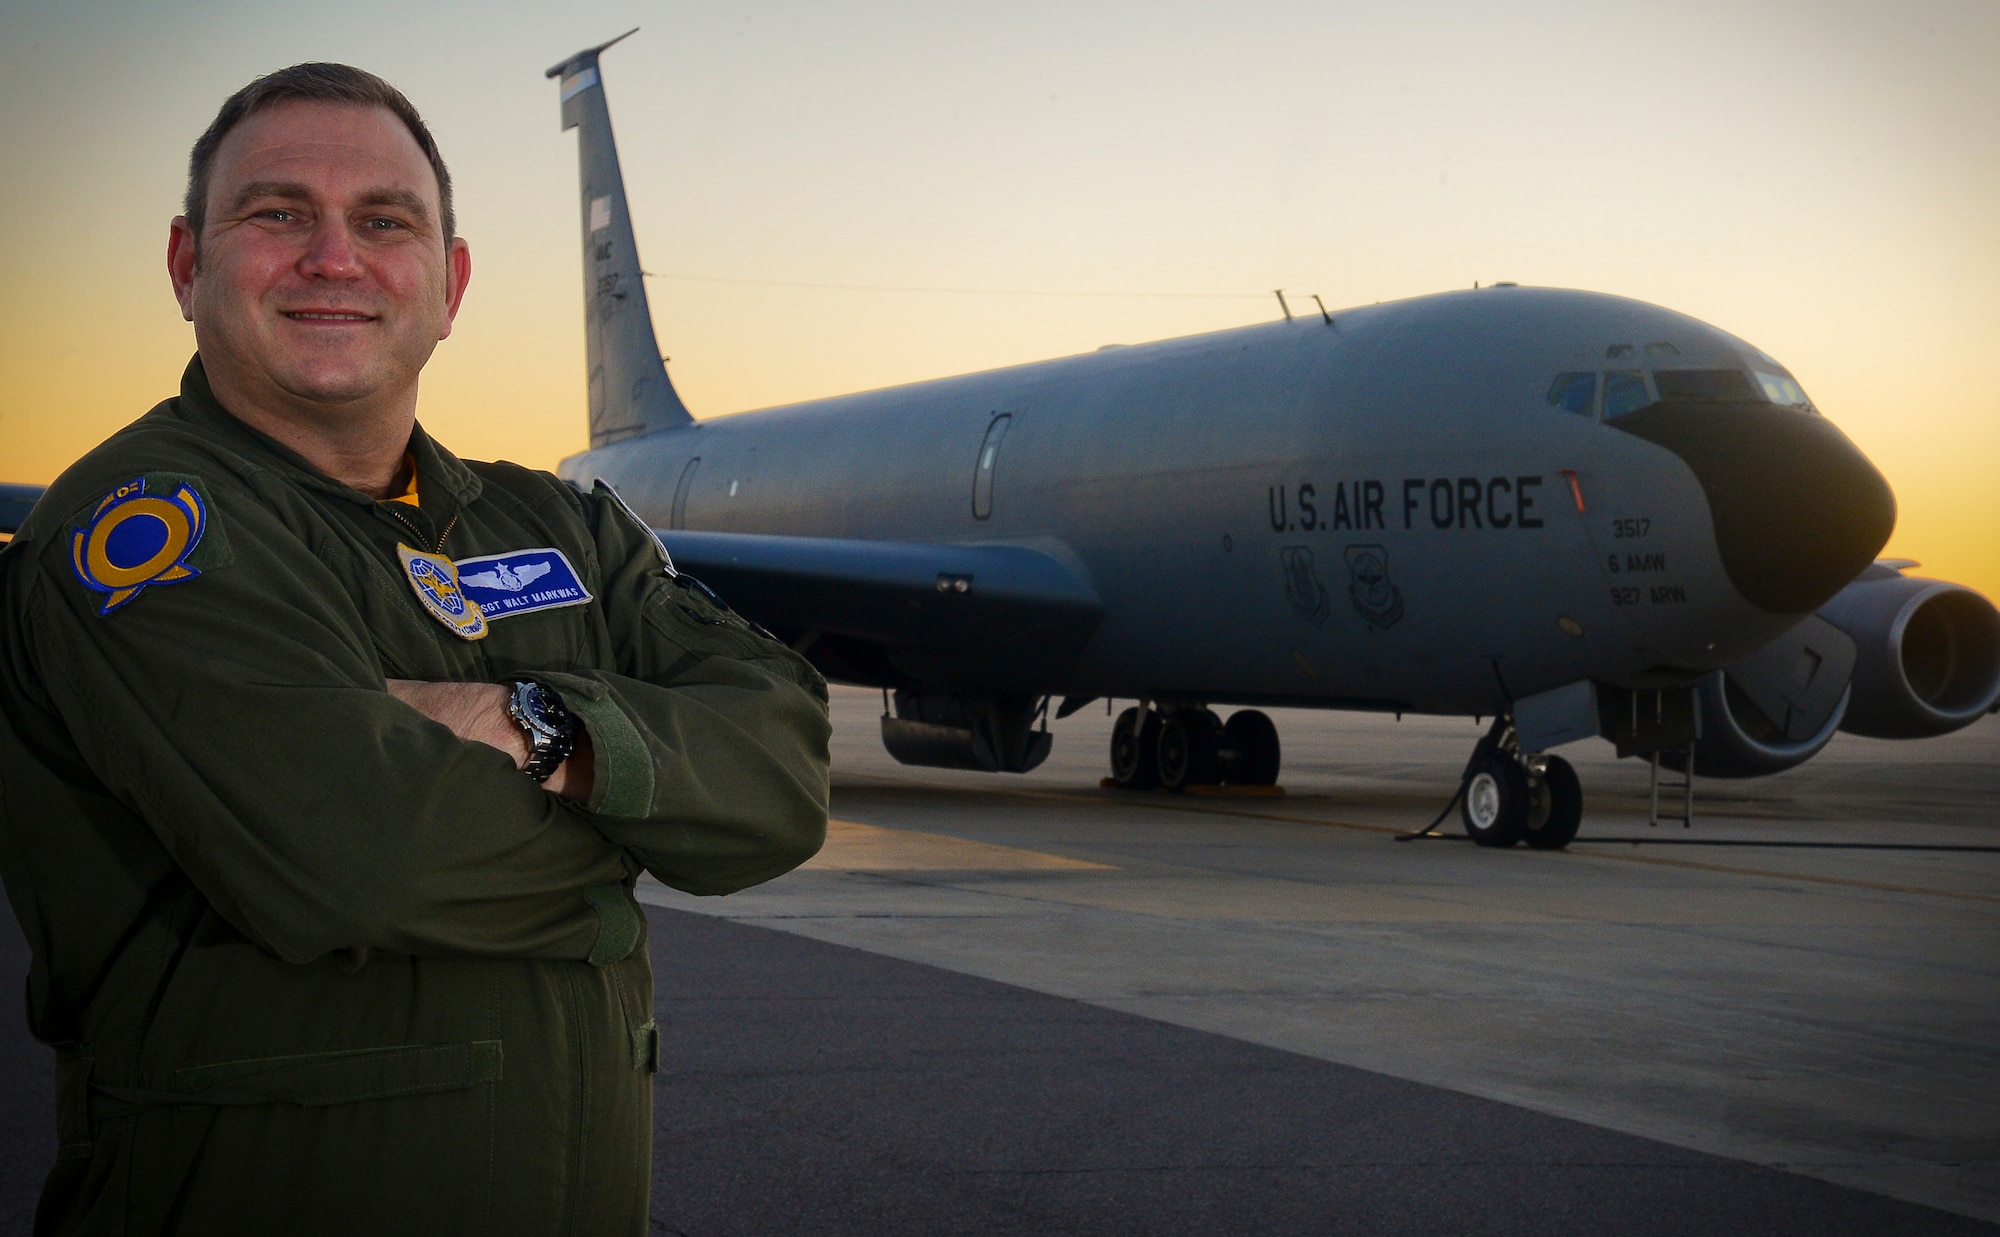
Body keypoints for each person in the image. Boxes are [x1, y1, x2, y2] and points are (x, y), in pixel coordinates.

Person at [0, 63, 830, 1235]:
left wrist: (529, 726)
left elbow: (787, 772)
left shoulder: (559, 523)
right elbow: (361, 855)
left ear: (451, 284)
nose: (334, 257)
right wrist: (625, 852)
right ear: (187, 267)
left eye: (385, 222)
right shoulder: (140, 524)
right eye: (278, 213)